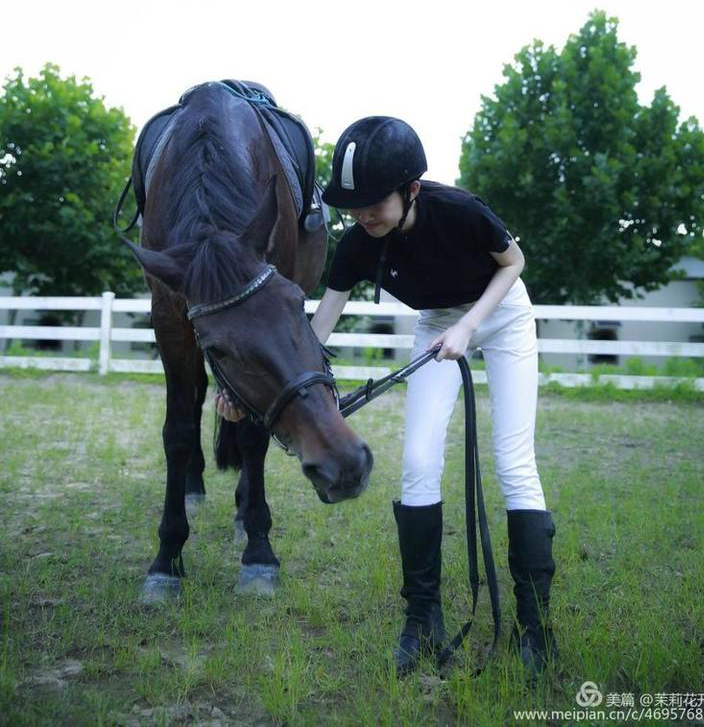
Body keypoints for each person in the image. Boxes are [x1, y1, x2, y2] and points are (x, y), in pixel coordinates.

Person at [217, 115, 558, 678]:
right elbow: (314, 333)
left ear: (412, 190)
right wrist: (245, 390)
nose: (363, 216)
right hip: (435, 325)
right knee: (420, 462)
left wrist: (471, 326)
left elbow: (514, 264)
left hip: (502, 318)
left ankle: (534, 629)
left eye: (374, 204)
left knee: (513, 460)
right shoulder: (358, 245)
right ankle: (423, 622)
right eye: (353, 207)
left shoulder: (460, 210)